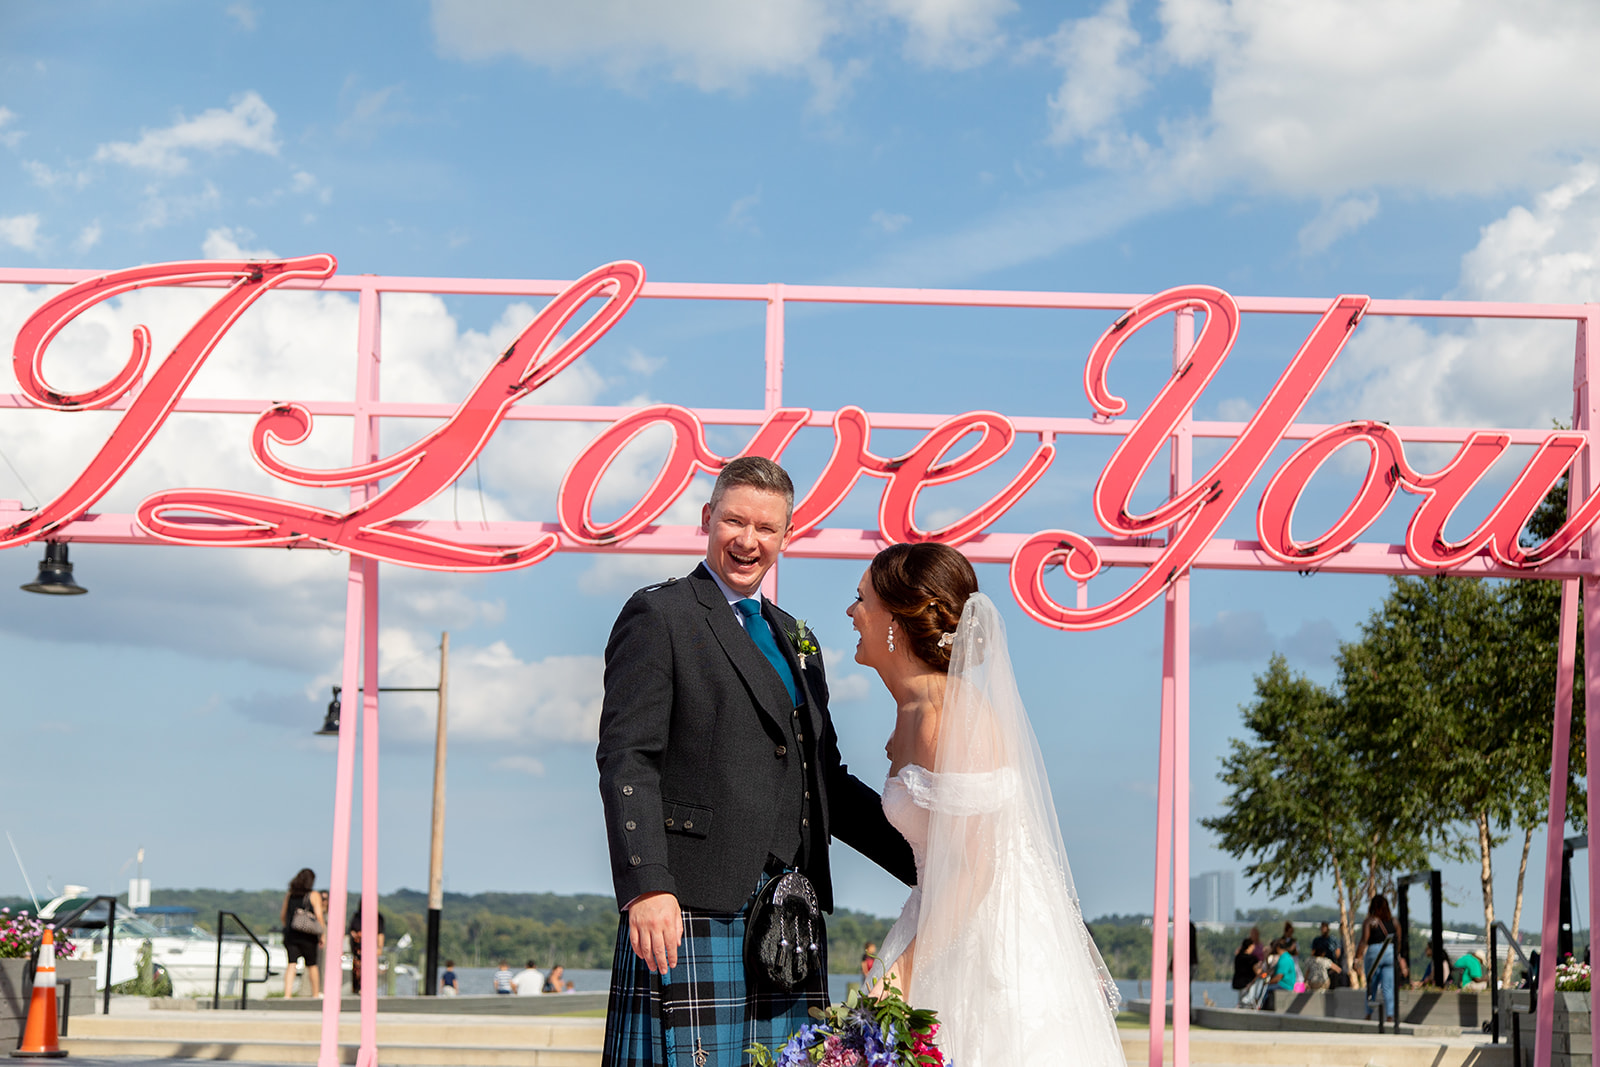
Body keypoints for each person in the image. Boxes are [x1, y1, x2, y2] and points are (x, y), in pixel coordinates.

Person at [596, 457, 916, 1067]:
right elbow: (626, 758)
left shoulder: (798, 637)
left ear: (786, 536)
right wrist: (647, 886)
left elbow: (825, 781)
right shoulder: (661, 614)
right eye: (734, 521)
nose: (748, 541)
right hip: (690, 901)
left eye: (766, 528)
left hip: (789, 911)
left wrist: (928, 863)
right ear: (706, 519)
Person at [855, 542, 1123, 1067]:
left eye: (860, 598)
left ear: (896, 616)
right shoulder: (912, 710)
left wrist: (903, 973)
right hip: (936, 914)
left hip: (989, 943)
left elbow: (976, 867)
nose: (850, 611)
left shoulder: (950, 717)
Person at [1355, 894, 1406, 1021]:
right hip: (1390, 952)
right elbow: (1398, 940)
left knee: (1371, 984)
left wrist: (1357, 958)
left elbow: (1364, 941)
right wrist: (1396, 955)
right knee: (1388, 987)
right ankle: (1390, 1016)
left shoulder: (1370, 921)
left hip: (1374, 953)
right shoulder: (1394, 922)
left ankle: (1368, 1014)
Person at [279, 868, 325, 998]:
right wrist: (322, 934)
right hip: (308, 936)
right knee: (312, 965)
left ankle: (287, 994)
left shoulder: (290, 894)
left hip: (291, 934)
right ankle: (315, 993)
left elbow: (283, 915)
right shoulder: (313, 895)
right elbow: (319, 916)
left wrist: (287, 927)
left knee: (291, 963)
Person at [347, 903, 385, 996]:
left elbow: (380, 933)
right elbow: (350, 929)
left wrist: (379, 947)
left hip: (370, 947)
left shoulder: (377, 917)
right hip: (357, 948)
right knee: (357, 969)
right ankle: (357, 989)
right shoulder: (356, 916)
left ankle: (368, 988)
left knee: (369, 968)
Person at [1233, 938, 1266, 1008]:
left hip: (1239, 983)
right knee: (1248, 1001)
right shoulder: (1252, 959)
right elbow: (1258, 972)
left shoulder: (1238, 957)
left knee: (1241, 1001)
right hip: (1249, 983)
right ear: (1249, 946)